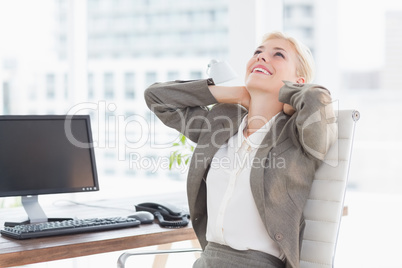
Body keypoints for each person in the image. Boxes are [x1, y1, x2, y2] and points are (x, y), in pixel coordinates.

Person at [144, 31, 337, 268]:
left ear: (298, 82)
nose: (262, 57)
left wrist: (288, 94)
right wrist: (233, 93)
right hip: (206, 260)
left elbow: (318, 98)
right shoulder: (221, 123)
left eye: (278, 55)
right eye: (258, 52)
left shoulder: (297, 136)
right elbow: (156, 97)